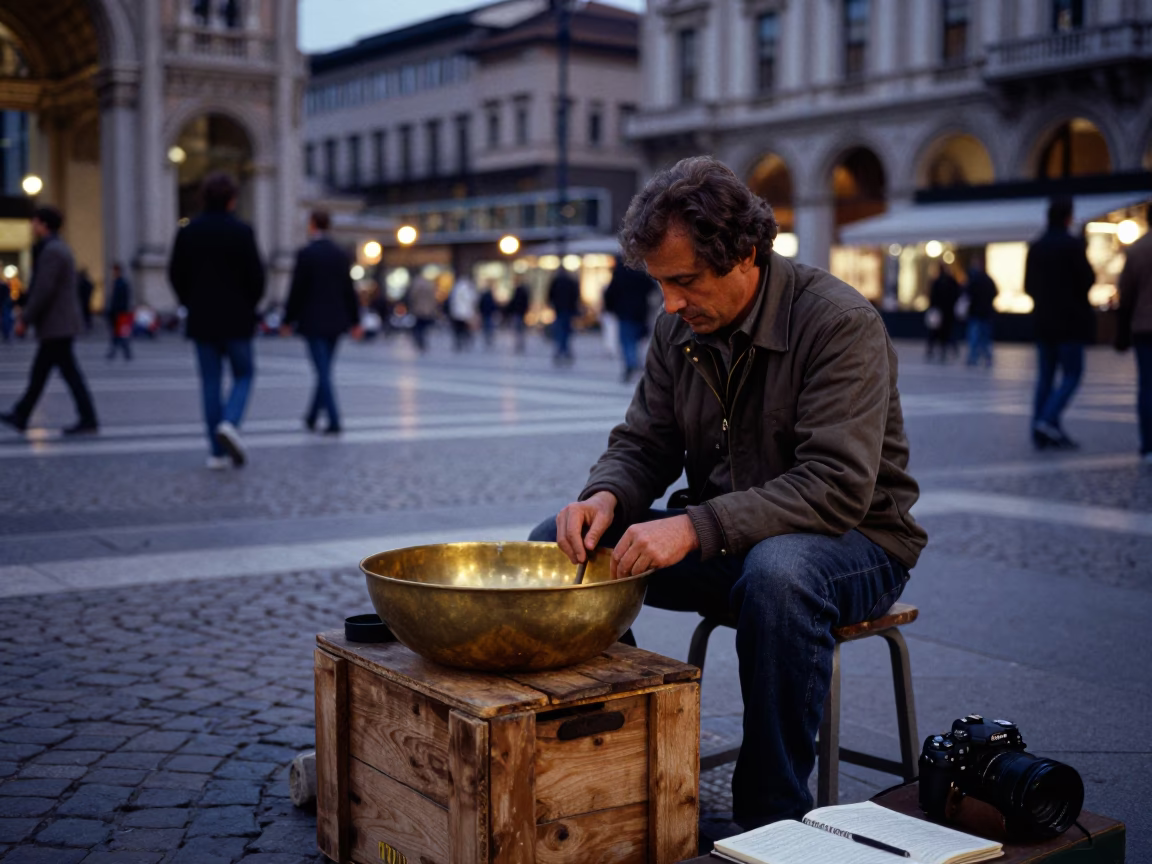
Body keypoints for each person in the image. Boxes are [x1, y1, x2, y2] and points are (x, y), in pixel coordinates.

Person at [528, 156, 926, 834]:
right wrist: (605, 498)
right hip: (732, 540)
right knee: (558, 546)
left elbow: (835, 487)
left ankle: (772, 821)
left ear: (745, 255)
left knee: (781, 575)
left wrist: (694, 526)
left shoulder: (837, 322)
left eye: (684, 281)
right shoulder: (676, 328)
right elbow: (644, 443)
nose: (672, 303)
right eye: (660, 284)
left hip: (857, 542)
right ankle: (615, 770)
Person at [168, 173, 265, 469]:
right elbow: (257, 277)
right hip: (237, 318)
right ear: (232, 199)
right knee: (244, 374)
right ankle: (230, 422)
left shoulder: (189, 231)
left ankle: (216, 452)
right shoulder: (242, 231)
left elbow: (175, 273)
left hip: (202, 318)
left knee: (210, 382)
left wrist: (190, 302)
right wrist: (249, 304)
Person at [0, 206, 100, 435]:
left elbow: (43, 290)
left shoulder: (52, 251)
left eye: (34, 222)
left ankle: (86, 418)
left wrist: (25, 318)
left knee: (56, 373)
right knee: (46, 372)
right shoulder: (57, 248)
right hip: (59, 324)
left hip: (57, 324)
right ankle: (23, 414)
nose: (32, 226)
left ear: (43, 224)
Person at [1025, 195, 1096, 450]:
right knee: (1072, 374)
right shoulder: (1072, 246)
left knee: (1045, 376)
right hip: (1070, 323)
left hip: (1044, 322)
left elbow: (1028, 286)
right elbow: (1088, 280)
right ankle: (1046, 420)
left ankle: (1040, 427)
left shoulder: (1036, 246)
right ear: (1068, 217)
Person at [283, 210, 361, 434]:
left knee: (323, 372)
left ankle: (334, 419)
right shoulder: (340, 253)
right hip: (337, 321)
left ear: (313, 225)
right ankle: (311, 416)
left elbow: (296, 290)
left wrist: (288, 319)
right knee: (324, 370)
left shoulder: (306, 253)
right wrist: (355, 321)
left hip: (313, 320)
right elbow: (349, 290)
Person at [1116, 208, 1152, 463]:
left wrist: (1122, 329)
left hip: (1144, 326)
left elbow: (1126, 293)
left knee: (1147, 386)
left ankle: (1148, 443)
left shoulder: (1138, 250)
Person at [603, 255, 656, 382]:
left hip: (624, 312)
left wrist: (609, 307)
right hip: (640, 312)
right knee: (635, 339)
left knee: (627, 340)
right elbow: (651, 288)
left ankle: (631, 363)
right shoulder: (641, 273)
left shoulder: (619, 274)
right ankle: (634, 361)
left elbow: (610, 292)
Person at [964, 254, 998, 367]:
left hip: (977, 313)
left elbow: (967, 294)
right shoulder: (988, 280)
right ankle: (987, 358)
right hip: (986, 313)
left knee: (975, 337)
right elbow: (995, 293)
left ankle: (974, 358)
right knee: (985, 338)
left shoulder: (974, 280)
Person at [925, 263, 960, 362]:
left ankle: (933, 350)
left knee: (935, 332)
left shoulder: (938, 281)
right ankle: (944, 350)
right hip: (947, 312)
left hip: (940, 311)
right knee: (946, 332)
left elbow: (932, 297)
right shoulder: (950, 281)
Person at [548, 268, 580, 365]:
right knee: (565, 331)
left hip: (559, 309)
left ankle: (561, 350)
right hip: (567, 310)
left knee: (561, 330)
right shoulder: (570, 282)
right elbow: (575, 296)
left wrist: (552, 304)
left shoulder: (556, 281)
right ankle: (564, 350)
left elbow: (550, 295)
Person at [105, 262, 133, 361]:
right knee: (118, 334)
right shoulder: (118, 283)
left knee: (119, 334)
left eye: (115, 271)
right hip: (117, 313)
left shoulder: (121, 284)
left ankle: (120, 352)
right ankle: (122, 352)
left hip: (120, 313)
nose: (114, 273)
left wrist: (118, 312)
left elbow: (122, 300)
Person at [407, 270, 439, 352]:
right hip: (427, 309)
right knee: (424, 327)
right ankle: (422, 341)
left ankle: (419, 341)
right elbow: (433, 298)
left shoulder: (416, 284)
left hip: (418, 308)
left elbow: (412, 296)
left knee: (418, 326)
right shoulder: (429, 284)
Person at [448, 272, 478, 351]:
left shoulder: (456, 288)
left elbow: (452, 301)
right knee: (466, 329)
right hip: (466, 313)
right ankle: (465, 342)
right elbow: (473, 300)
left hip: (457, 313)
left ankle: (458, 343)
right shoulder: (469, 288)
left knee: (458, 330)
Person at [506, 281, 530, 353]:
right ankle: (521, 343)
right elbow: (526, 303)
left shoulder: (516, 293)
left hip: (517, 313)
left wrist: (510, 311)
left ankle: (518, 343)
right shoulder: (524, 294)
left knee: (517, 329)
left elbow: (512, 303)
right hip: (521, 313)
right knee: (521, 330)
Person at [478, 284, 498, 348]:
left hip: (485, 313)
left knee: (487, 326)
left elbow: (481, 305)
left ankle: (487, 337)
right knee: (489, 326)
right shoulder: (490, 296)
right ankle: (489, 337)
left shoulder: (484, 296)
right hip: (488, 313)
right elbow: (493, 305)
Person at [76, 267, 95, 331]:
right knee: (86, 314)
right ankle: (86, 325)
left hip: (84, 300)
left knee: (85, 314)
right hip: (84, 300)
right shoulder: (84, 282)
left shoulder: (83, 282)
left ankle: (86, 325)